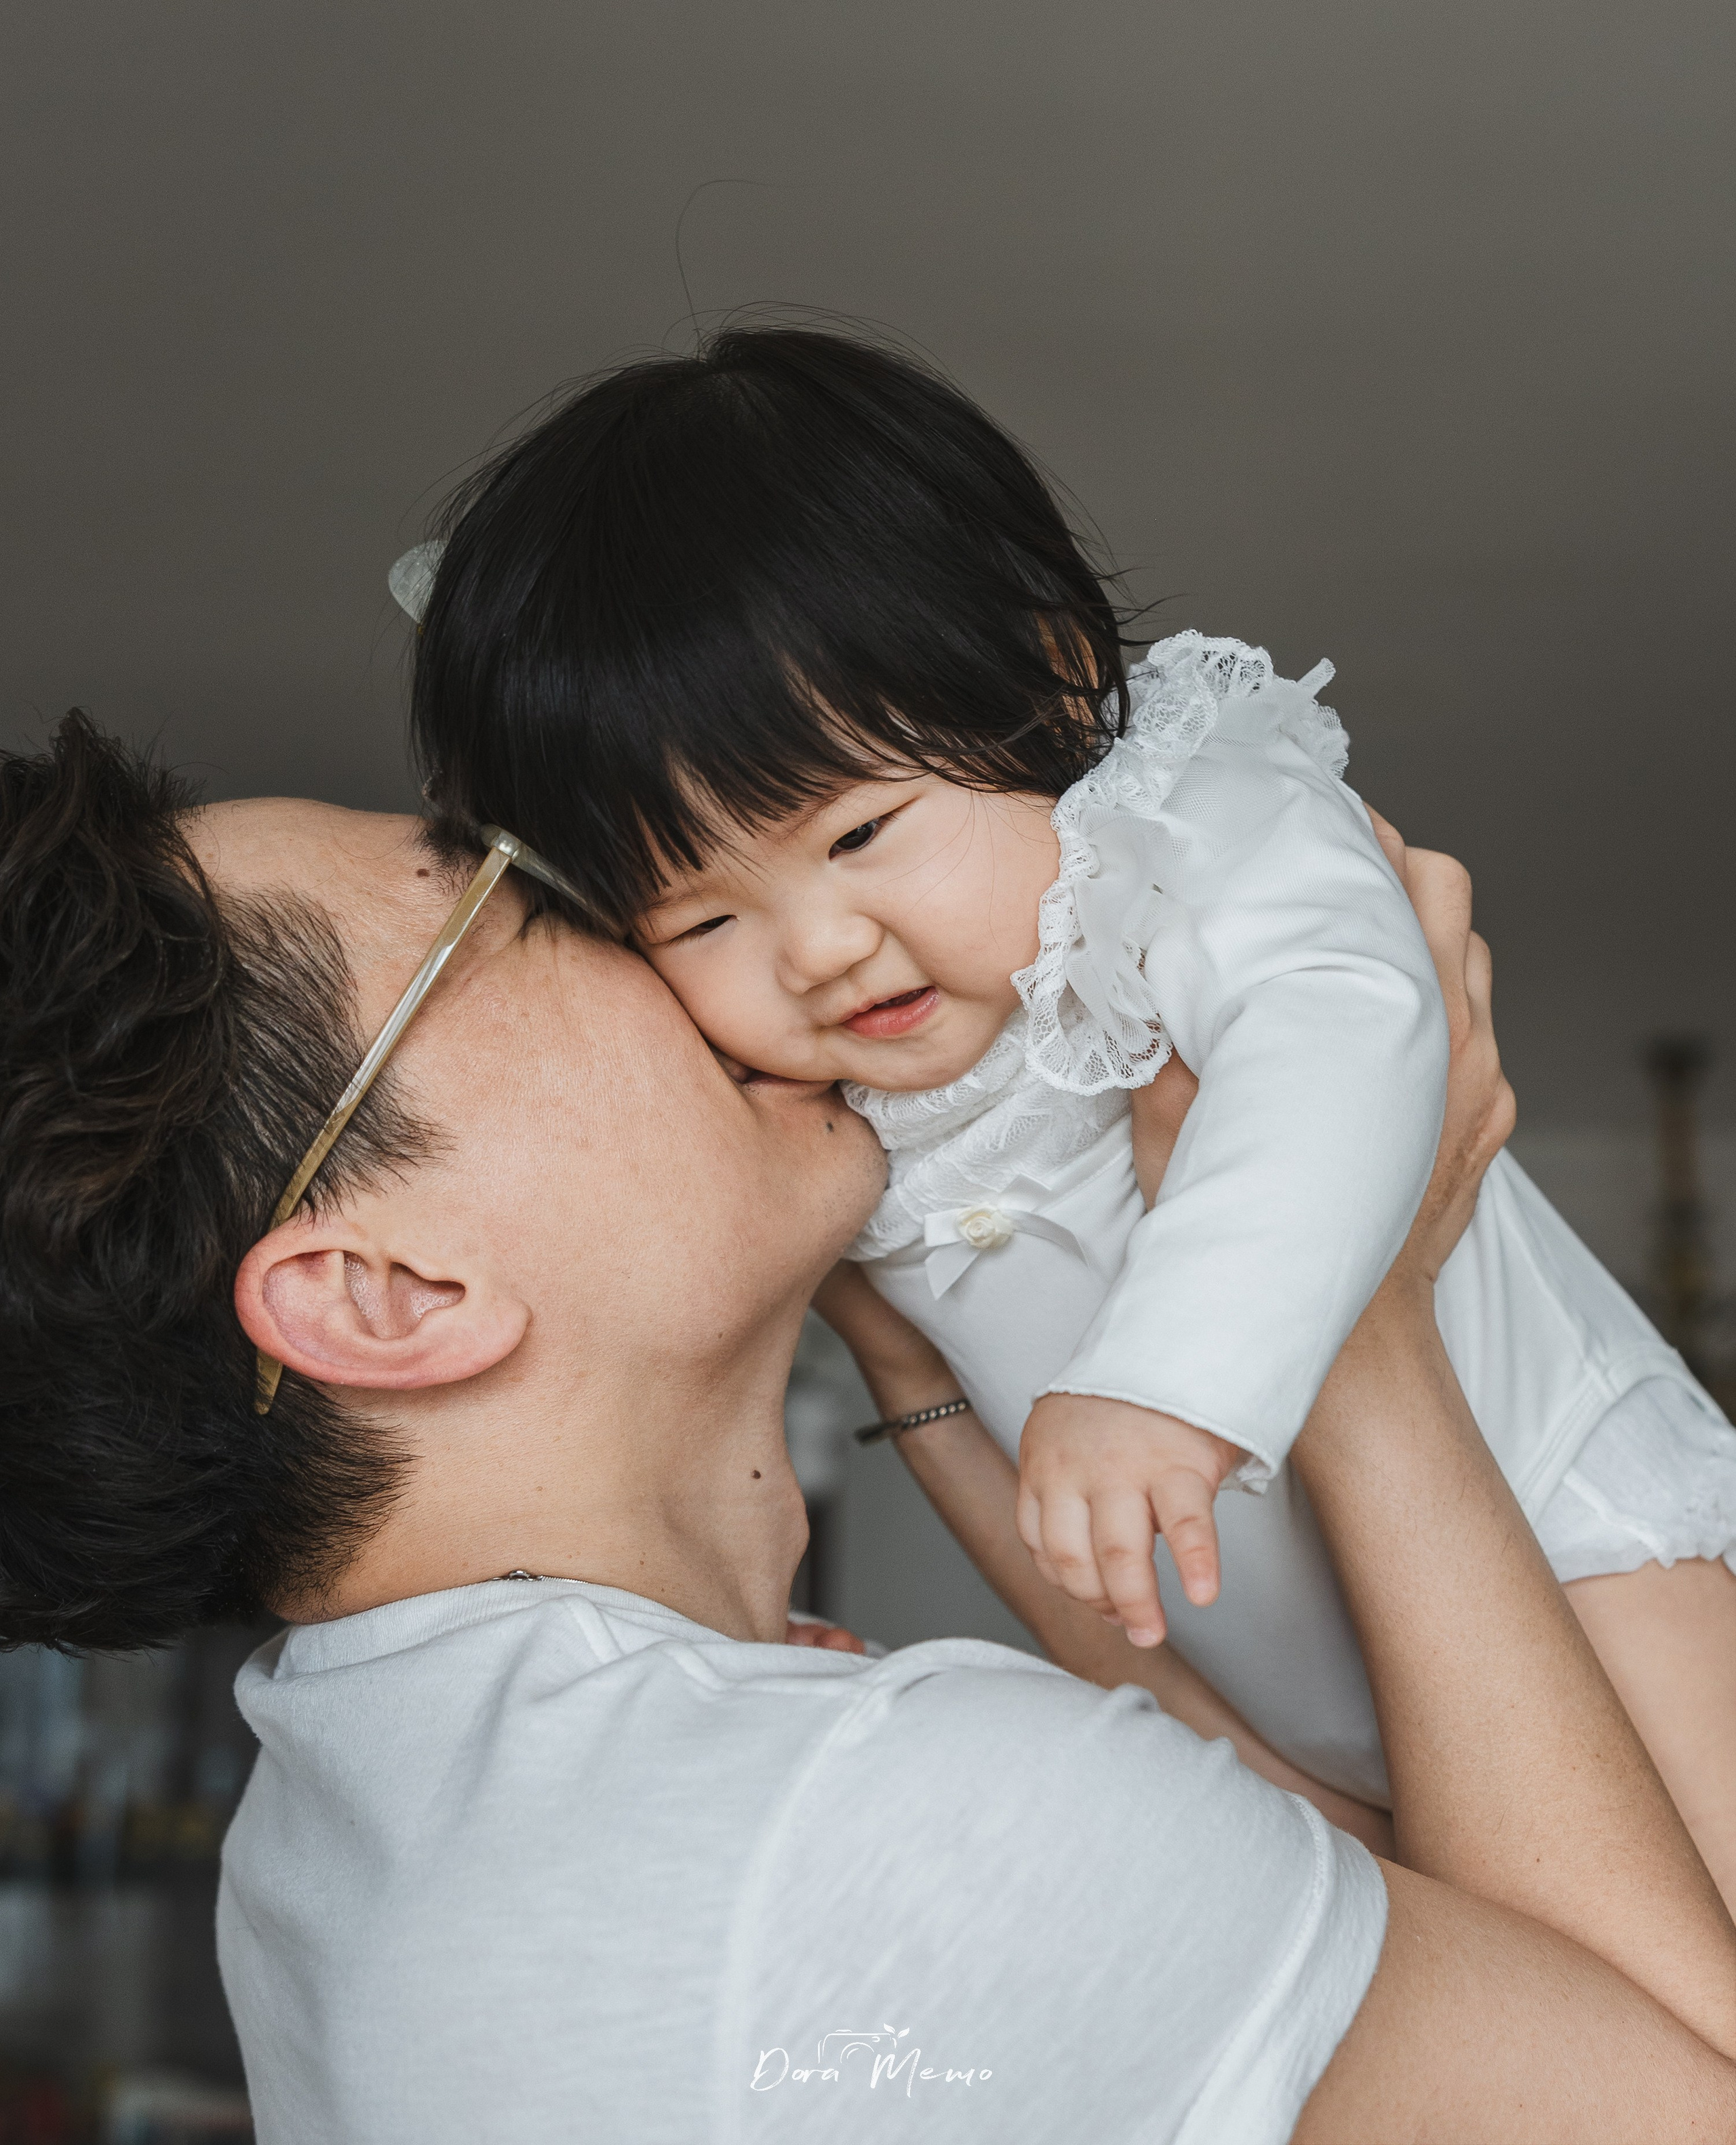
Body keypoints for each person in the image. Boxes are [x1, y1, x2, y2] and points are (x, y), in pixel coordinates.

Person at [3, 714, 1735, 2141]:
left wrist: (912, 1348)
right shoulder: (842, 1830)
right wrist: (1348, 1318)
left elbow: (1377, 1934)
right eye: (514, 905)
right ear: (387, 1292)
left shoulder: (375, 1819)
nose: (648, 912)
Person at [395, 322, 1736, 1868]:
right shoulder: (802, 1093)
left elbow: (1343, 1027)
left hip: (1582, 1537)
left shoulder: (1180, 823)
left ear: (1047, 677)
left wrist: (1167, 1377)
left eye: (858, 836)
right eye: (702, 917)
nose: (820, 950)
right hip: (1301, 1708)